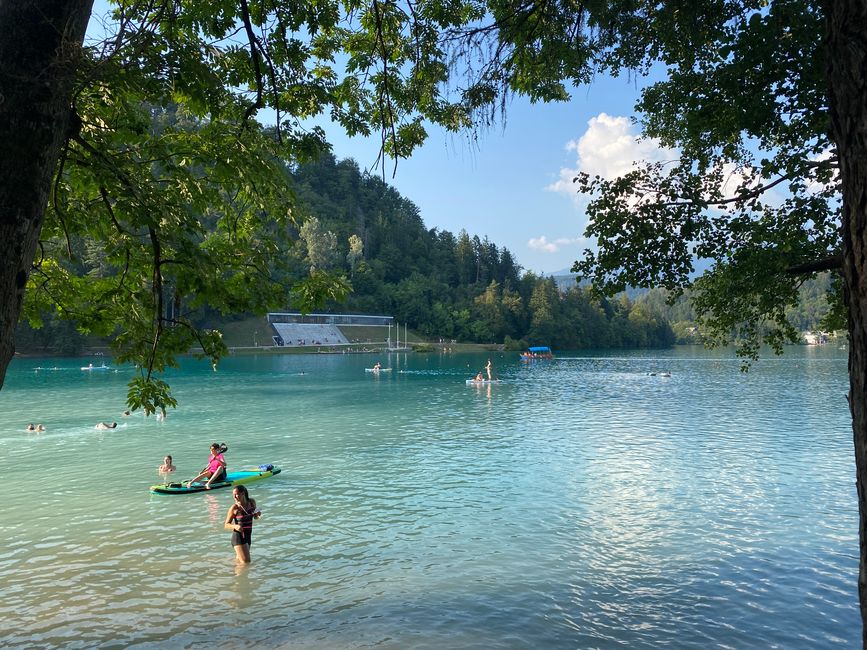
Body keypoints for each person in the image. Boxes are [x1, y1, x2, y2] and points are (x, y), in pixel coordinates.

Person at [224, 485, 261, 564]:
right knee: (246, 562)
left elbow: (256, 517)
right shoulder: (234, 508)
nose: (234, 497)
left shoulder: (251, 502)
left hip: (248, 535)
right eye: (233, 495)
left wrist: (257, 514)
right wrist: (235, 526)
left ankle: (234, 574)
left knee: (240, 562)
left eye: (236, 494)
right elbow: (226, 524)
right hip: (238, 536)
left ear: (243, 493)